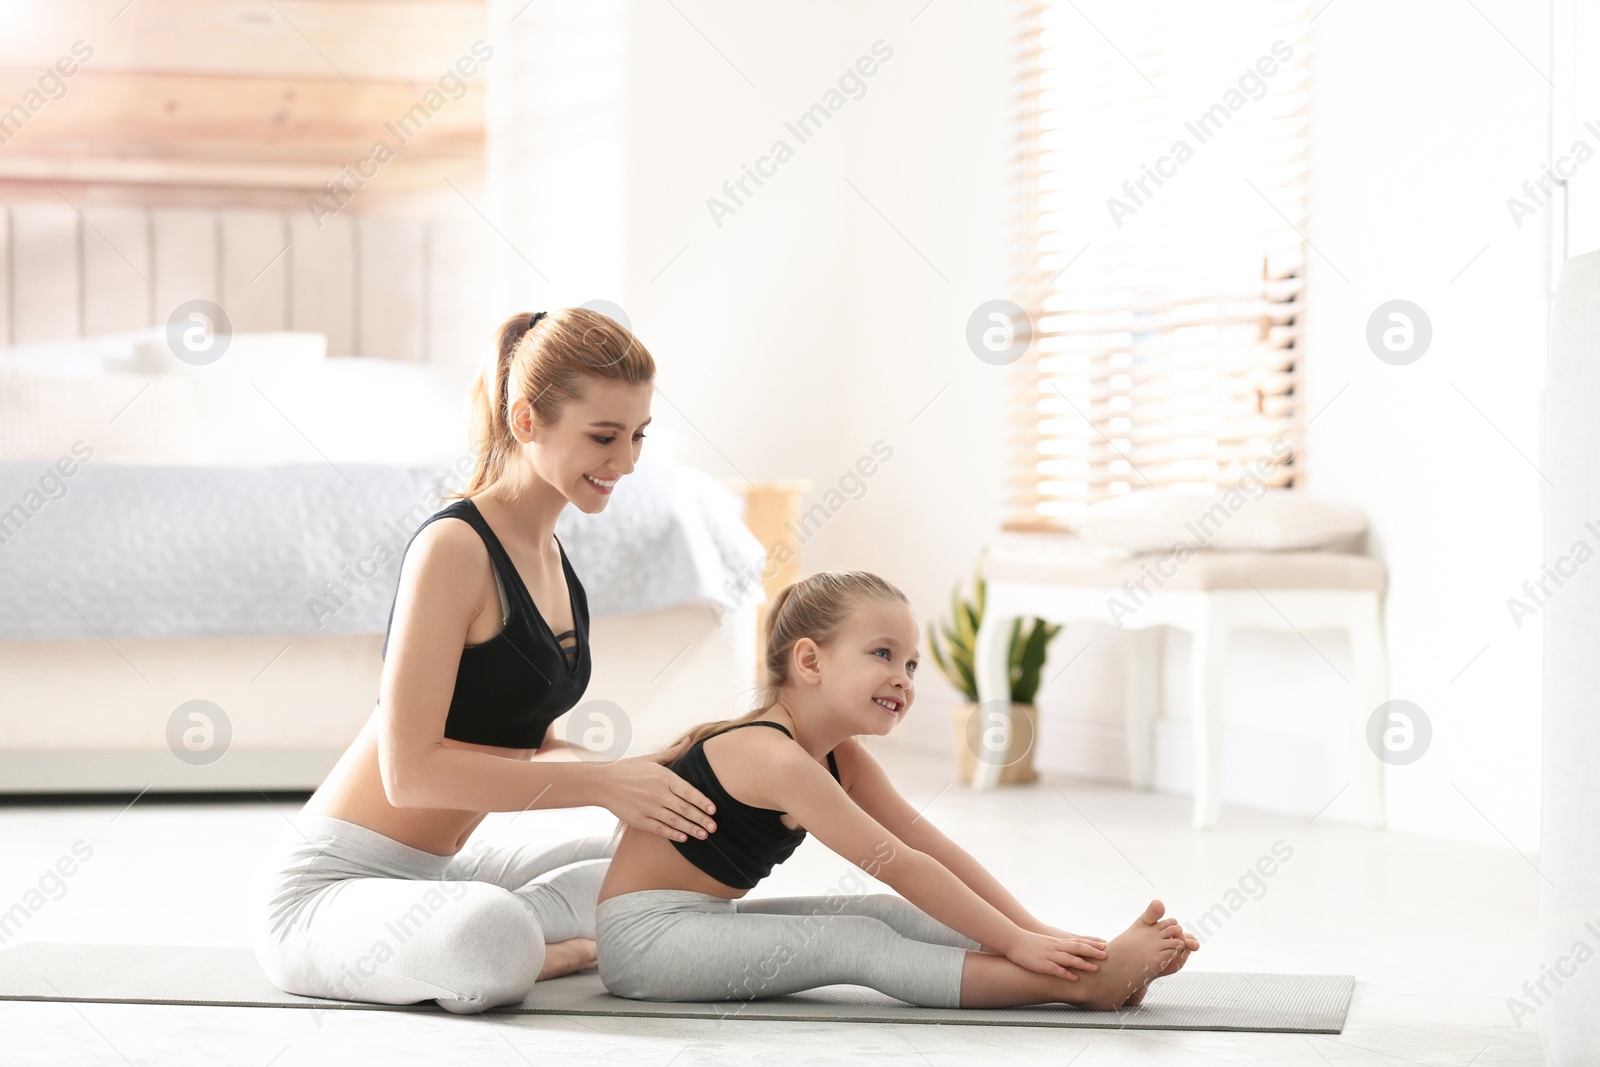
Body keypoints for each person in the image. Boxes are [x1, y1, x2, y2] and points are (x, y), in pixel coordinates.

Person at [249, 308, 720, 1014]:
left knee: (672, 864)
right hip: (332, 891)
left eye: (637, 436)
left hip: (439, 875)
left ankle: (510, 931)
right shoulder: (455, 549)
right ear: (527, 420)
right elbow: (409, 775)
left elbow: (527, 740)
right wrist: (603, 783)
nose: (626, 463)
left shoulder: (553, 556)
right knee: (493, 939)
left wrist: (646, 774)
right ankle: (542, 948)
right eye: (603, 436)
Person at [594, 570, 1199, 1011]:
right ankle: (1082, 986)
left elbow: (933, 850)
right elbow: (899, 866)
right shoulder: (772, 755)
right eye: (882, 654)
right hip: (646, 943)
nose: (902, 679)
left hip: (697, 921)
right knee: (852, 939)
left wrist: (1048, 938)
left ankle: (1084, 967)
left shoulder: (841, 758)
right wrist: (1017, 945)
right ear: (810, 661)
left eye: (911, 665)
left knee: (878, 914)